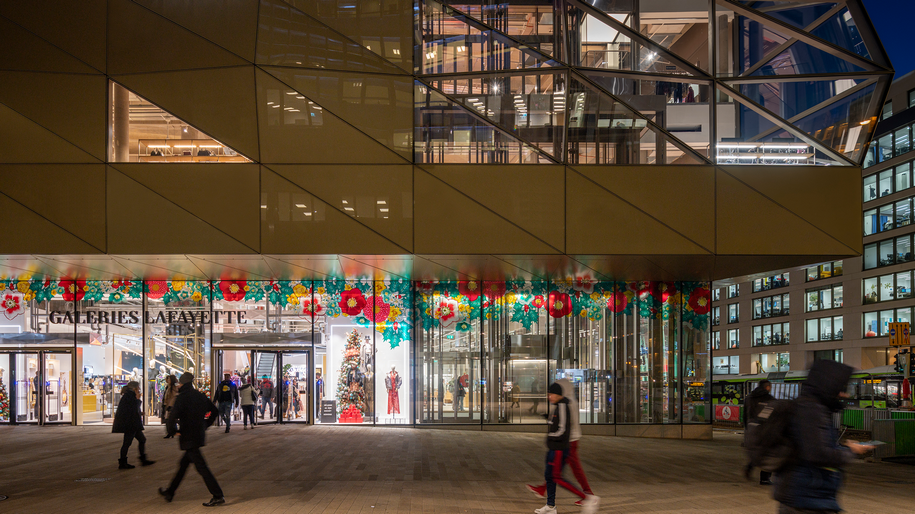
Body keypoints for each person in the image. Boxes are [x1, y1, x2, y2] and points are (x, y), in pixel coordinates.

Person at [773, 360, 871, 514]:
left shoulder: (812, 407)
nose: (845, 394)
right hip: (807, 499)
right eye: (841, 388)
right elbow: (818, 454)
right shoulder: (812, 410)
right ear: (829, 385)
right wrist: (851, 451)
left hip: (811, 497)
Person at [529, 382, 598, 514]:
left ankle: (587, 497)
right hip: (556, 446)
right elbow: (556, 423)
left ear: (559, 393)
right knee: (550, 476)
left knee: (557, 476)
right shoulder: (558, 405)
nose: (549, 396)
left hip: (560, 447)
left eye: (551, 394)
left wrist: (552, 437)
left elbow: (563, 428)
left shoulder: (564, 405)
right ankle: (550, 505)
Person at [159, 372, 225, 507]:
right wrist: (205, 424)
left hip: (188, 437)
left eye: (179, 383)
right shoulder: (199, 396)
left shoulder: (182, 398)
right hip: (198, 435)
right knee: (183, 465)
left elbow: (172, 418)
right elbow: (214, 411)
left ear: (182, 384)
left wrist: (173, 431)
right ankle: (170, 492)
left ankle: (218, 495)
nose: (178, 385)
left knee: (202, 468)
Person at [112, 381, 154, 469]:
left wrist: (139, 412)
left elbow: (131, 409)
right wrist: (138, 400)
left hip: (132, 423)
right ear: (135, 388)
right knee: (127, 443)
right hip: (130, 424)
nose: (139, 389)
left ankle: (142, 460)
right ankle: (123, 462)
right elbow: (133, 408)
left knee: (141, 440)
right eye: (138, 388)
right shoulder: (130, 396)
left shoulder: (128, 395)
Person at [744, 380, 774, 485]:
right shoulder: (769, 399)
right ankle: (765, 478)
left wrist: (747, 428)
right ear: (767, 387)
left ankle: (750, 466)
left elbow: (745, 415)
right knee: (769, 453)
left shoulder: (749, 398)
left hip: (751, 427)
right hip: (764, 429)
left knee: (758, 451)